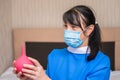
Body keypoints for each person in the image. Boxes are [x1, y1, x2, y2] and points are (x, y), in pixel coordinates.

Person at [13, 5, 110, 80]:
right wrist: (32, 77)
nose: (67, 31)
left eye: (73, 27)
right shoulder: (54, 55)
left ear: (89, 30)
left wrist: (44, 78)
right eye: (65, 26)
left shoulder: (101, 63)